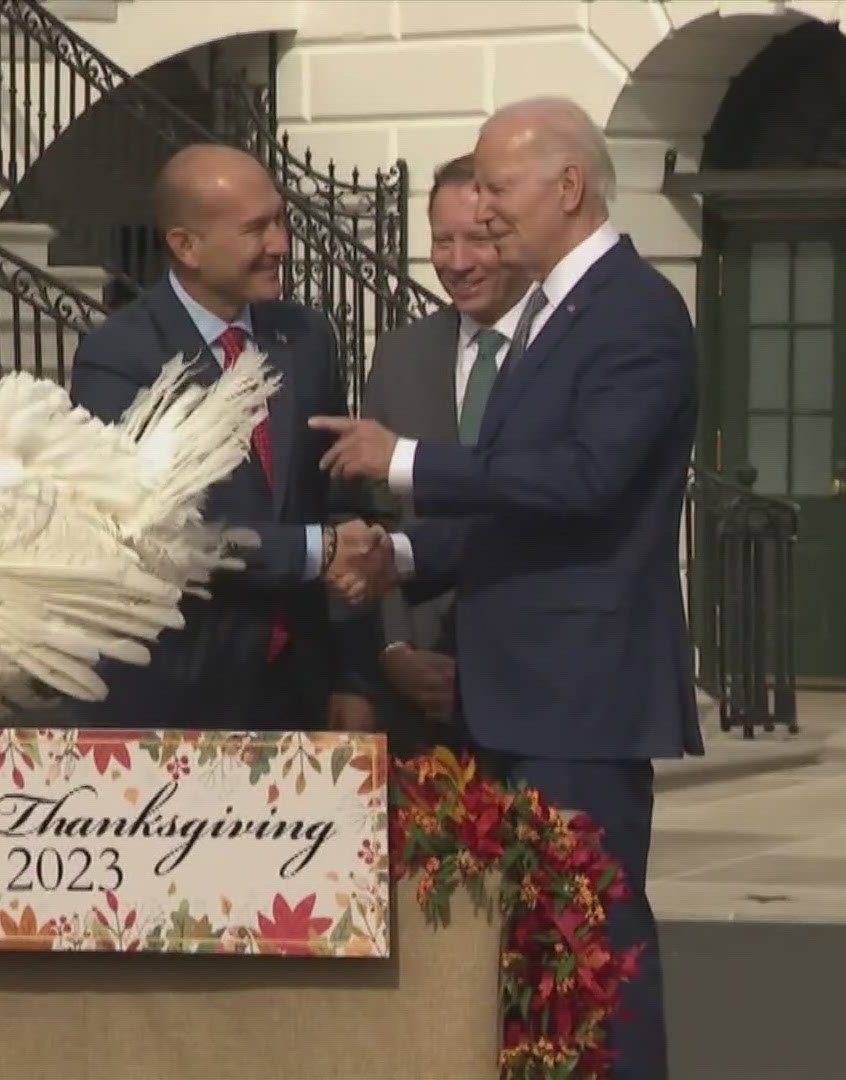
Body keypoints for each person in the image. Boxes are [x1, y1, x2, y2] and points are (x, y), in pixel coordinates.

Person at [311, 97, 701, 1079]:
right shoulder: (552, 313)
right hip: (521, 689)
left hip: (579, 694)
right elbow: (518, 505)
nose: (481, 211)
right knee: (535, 952)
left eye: (495, 186)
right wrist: (403, 559)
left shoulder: (634, 312)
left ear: (566, 187)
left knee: (596, 950)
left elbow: (583, 481)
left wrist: (405, 462)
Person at [65, 142, 383, 734]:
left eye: (280, 221)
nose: (281, 245)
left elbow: (340, 504)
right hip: (177, 695)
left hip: (302, 692)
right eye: (256, 229)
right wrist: (316, 551)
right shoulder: (121, 359)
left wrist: (354, 676)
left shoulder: (308, 339)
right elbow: (156, 531)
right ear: (185, 246)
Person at [359, 152, 532, 759]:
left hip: (537, 686)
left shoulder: (563, 348)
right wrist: (393, 650)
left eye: (479, 240)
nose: (457, 263)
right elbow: (371, 519)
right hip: (418, 703)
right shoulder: (400, 357)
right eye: (441, 240)